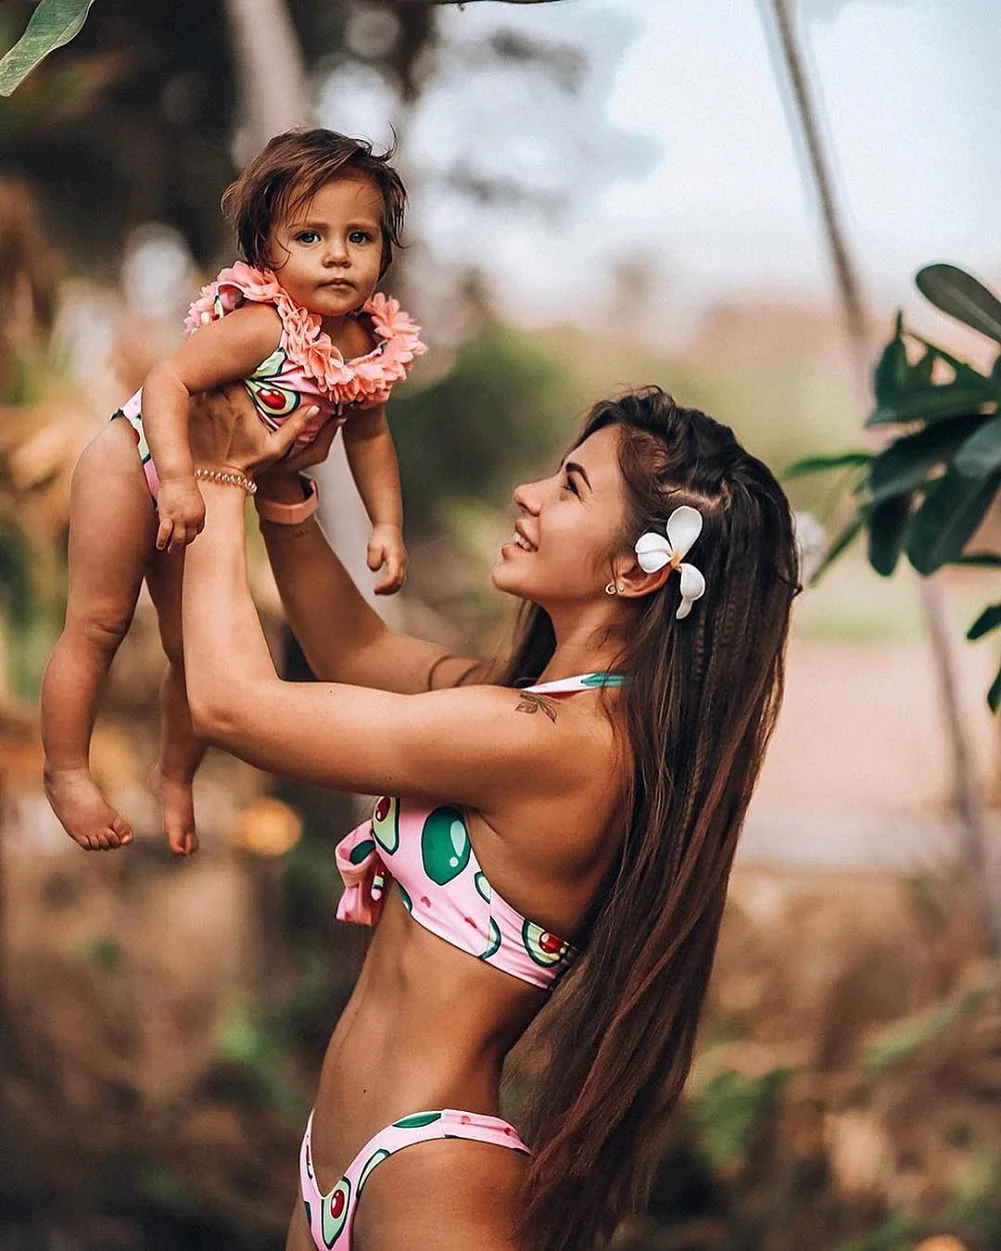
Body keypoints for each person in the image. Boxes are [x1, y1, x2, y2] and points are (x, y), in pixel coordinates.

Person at [180, 384, 799, 1251]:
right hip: (342, 1159)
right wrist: (280, 487)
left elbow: (232, 707)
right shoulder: (533, 709)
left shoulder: (554, 741)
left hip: (429, 1173)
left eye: (570, 487)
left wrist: (214, 475)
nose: (527, 494)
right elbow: (353, 650)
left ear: (637, 569)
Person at [41, 129, 424, 857]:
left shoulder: (367, 350)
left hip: (213, 489)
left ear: (384, 248)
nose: (337, 254)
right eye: (309, 236)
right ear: (264, 251)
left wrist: (387, 525)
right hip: (135, 458)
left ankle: (174, 774)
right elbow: (168, 380)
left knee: (192, 649)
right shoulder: (261, 325)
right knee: (98, 623)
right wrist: (174, 479)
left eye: (359, 236)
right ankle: (66, 771)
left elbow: (370, 435)